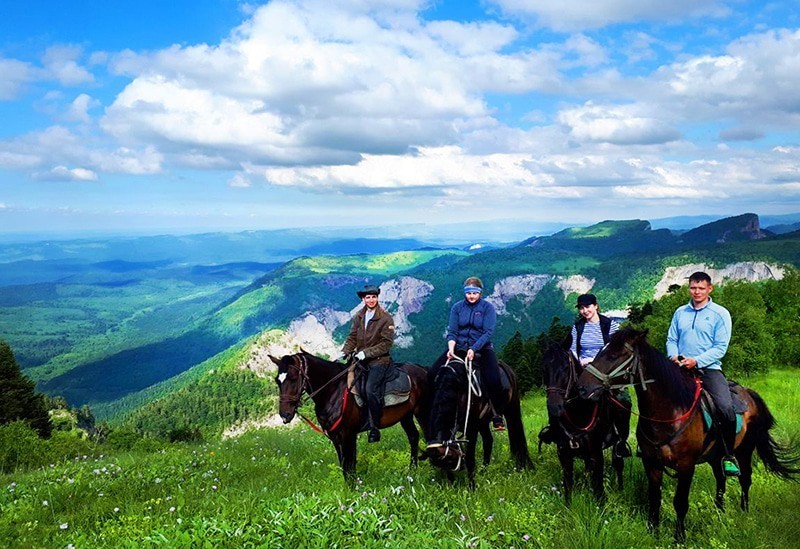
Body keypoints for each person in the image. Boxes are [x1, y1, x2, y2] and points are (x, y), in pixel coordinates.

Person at [540, 293, 632, 457]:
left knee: (623, 400)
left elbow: (613, 349)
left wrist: (595, 361)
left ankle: (621, 440)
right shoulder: (578, 327)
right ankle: (555, 429)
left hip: (606, 370)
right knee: (560, 395)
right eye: (581, 308)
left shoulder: (610, 325)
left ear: (596, 306)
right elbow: (573, 348)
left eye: (588, 307)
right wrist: (580, 361)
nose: (584, 311)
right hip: (583, 368)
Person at [666, 271, 738, 476]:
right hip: (679, 369)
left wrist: (696, 360)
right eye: (693, 288)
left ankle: (728, 456)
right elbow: (672, 339)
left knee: (725, 408)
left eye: (700, 288)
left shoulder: (720, 313)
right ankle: (652, 448)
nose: (696, 292)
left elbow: (720, 347)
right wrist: (674, 357)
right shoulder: (680, 312)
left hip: (709, 369)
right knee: (657, 400)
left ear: (709, 289)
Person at [426, 276, 505, 448]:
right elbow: (452, 330)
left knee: (493, 378)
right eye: (468, 293)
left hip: (482, 348)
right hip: (459, 348)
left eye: (475, 293)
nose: (471, 296)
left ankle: (497, 414)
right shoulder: (457, 307)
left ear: (480, 293)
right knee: (433, 373)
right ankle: (435, 409)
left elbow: (488, 332)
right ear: (465, 293)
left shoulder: (487, 308)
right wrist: (451, 348)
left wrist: (474, 348)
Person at [341, 284, 395, 443]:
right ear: (363, 299)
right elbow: (352, 337)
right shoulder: (358, 316)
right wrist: (345, 351)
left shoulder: (386, 317)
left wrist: (366, 353)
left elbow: (386, 343)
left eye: (373, 297)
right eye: (368, 297)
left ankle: (374, 427)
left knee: (370, 389)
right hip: (359, 359)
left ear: (377, 298)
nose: (371, 300)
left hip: (379, 360)